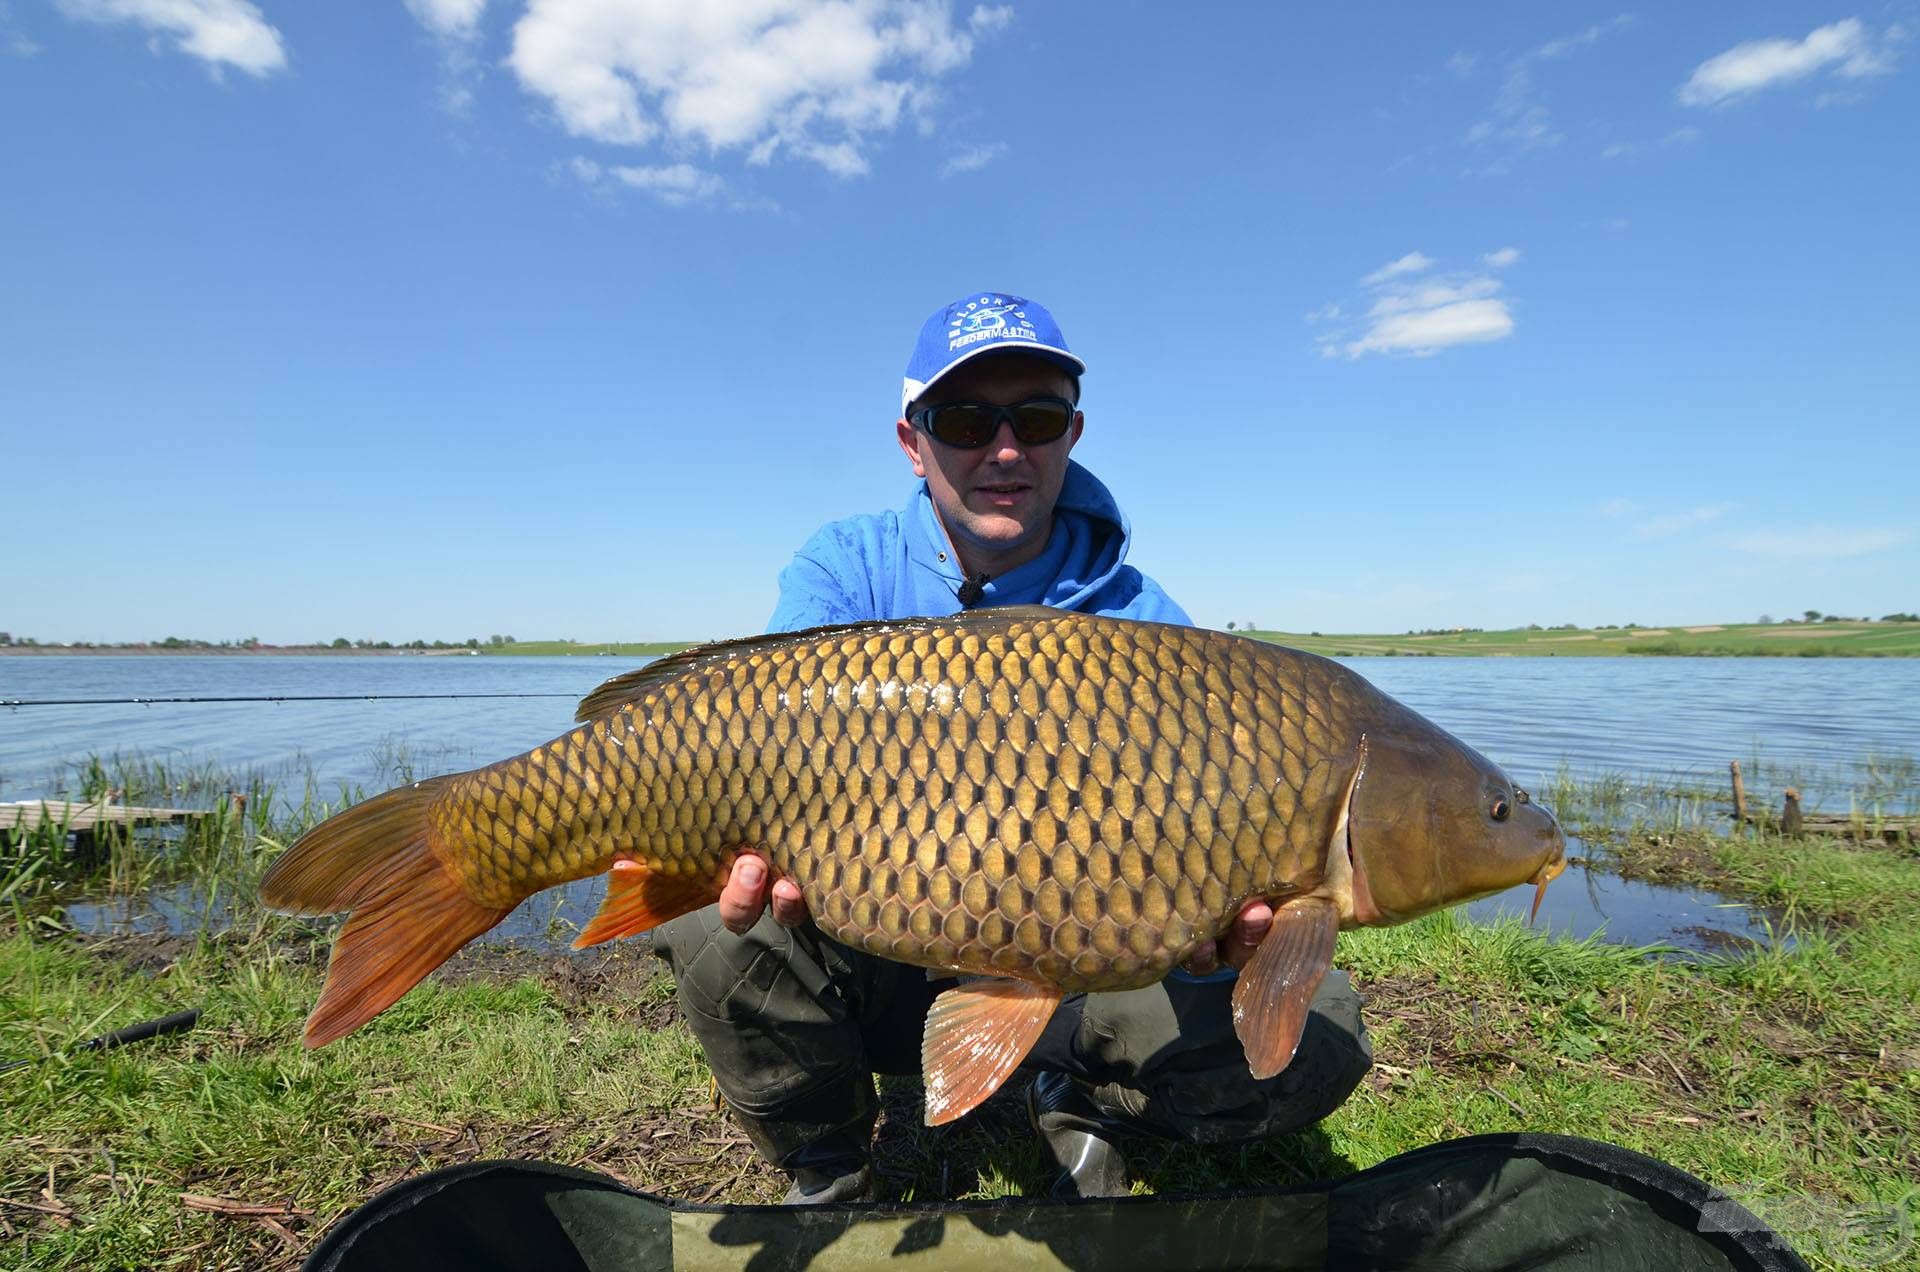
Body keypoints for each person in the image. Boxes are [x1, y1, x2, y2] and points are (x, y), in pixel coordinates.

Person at [652, 293, 1371, 1204]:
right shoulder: (844, 568)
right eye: (963, 419)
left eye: (1032, 418)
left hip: (1081, 961)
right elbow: (771, 734)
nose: (1003, 450)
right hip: (874, 936)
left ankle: (1085, 1096)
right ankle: (829, 1162)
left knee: (1324, 1033)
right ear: (913, 443)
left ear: (1071, 433)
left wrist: (1222, 919)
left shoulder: (1146, 625)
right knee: (709, 914)